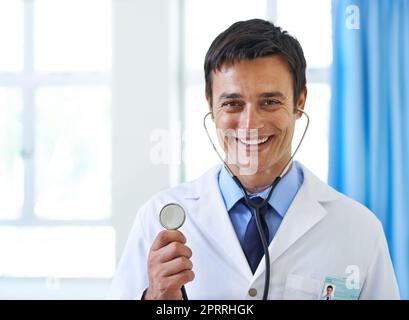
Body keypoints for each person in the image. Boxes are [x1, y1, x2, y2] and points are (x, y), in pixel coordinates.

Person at [108, 19, 400, 300]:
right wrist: (155, 298)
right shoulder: (157, 218)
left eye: (270, 102)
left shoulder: (359, 229)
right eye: (232, 103)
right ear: (210, 104)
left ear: (300, 102)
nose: (250, 124)